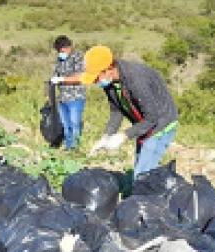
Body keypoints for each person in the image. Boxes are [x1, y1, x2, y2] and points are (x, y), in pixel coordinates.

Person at [82, 45, 179, 177]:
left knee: (142, 174)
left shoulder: (135, 79)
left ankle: (144, 195)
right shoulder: (110, 82)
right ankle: (141, 192)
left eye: (96, 77)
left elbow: (152, 118)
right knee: (141, 167)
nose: (95, 82)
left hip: (161, 123)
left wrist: (123, 136)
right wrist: (107, 136)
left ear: (108, 69)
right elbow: (116, 111)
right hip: (144, 122)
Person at [49, 35, 87, 150]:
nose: (61, 53)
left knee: (75, 124)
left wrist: (62, 80)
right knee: (66, 125)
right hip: (62, 98)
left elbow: (80, 77)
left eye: (62, 51)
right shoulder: (60, 60)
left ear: (68, 47)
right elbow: (55, 75)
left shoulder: (78, 58)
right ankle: (68, 147)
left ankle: (75, 148)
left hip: (75, 97)